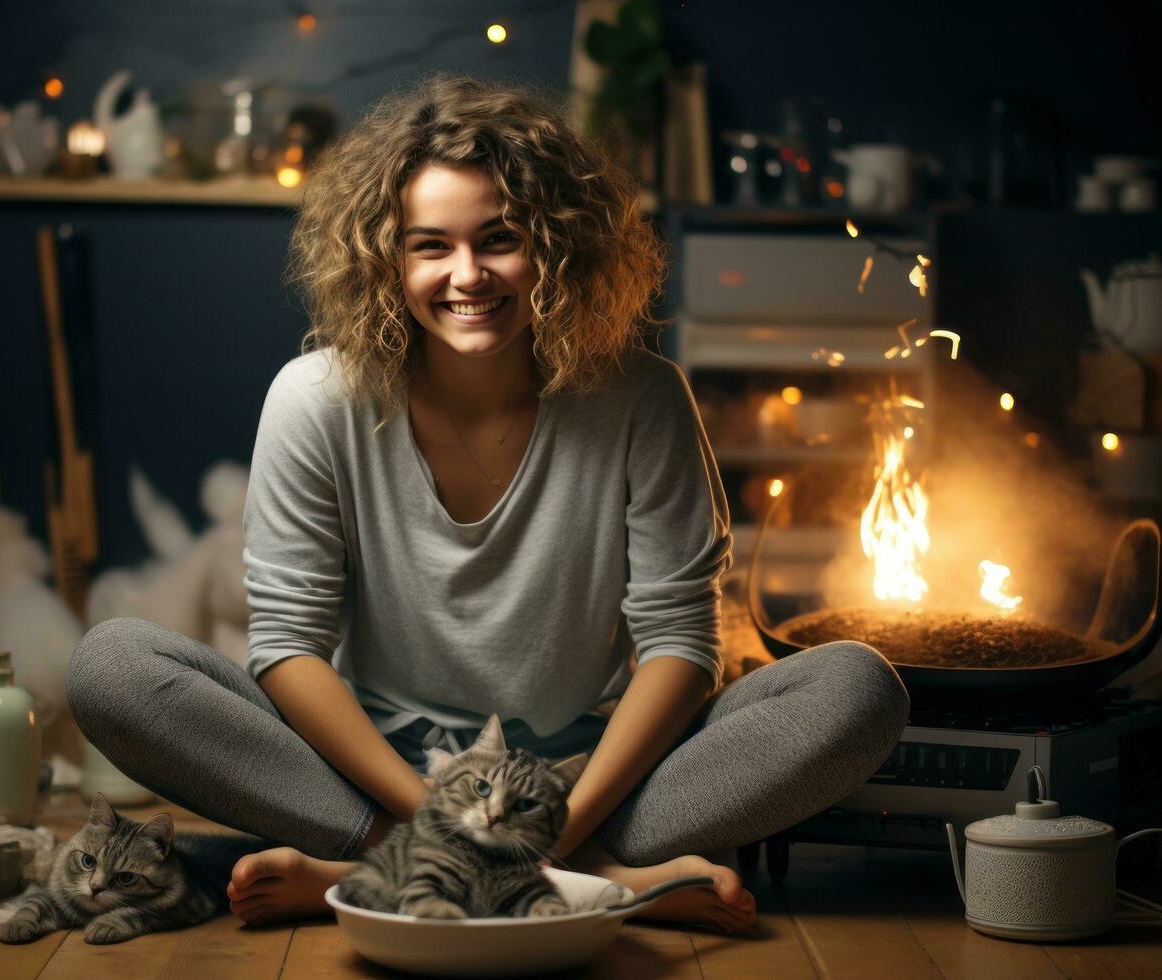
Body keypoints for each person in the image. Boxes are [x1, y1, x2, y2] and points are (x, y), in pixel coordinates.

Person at [68, 73, 910, 934]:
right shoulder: (314, 399)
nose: (466, 275)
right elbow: (288, 647)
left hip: (587, 777)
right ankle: (586, 879)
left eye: (499, 238)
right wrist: (433, 816)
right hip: (367, 775)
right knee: (114, 667)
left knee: (857, 687)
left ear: (555, 244)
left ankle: (396, 873)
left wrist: (562, 820)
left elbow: (680, 646)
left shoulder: (643, 398)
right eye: (429, 245)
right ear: (383, 258)